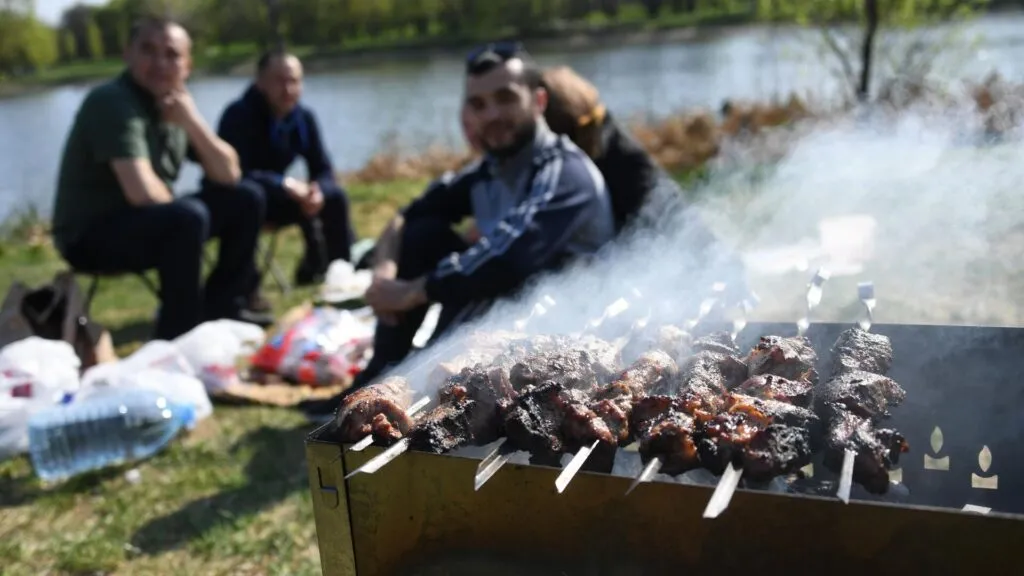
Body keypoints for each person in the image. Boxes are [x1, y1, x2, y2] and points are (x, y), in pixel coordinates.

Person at [300, 42, 616, 418]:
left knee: (479, 275)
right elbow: (406, 217)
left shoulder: (564, 172)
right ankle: (381, 377)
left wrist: (413, 292)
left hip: (568, 329)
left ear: (539, 101)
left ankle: (415, 385)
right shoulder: (488, 173)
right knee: (423, 233)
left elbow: (509, 257)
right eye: (478, 105)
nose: (492, 114)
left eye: (505, 98)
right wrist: (384, 277)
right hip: (507, 311)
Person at [51, 17, 272, 341]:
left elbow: (229, 173)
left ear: (188, 64)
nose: (160, 63)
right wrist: (192, 215)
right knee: (188, 218)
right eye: (148, 51)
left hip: (146, 222)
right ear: (128, 54)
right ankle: (179, 334)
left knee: (247, 198)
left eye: (172, 54)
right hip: (89, 236)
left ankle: (223, 308)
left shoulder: (174, 106)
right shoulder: (112, 101)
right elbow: (141, 192)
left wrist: (191, 120)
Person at [216, 49, 355, 290]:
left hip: (281, 197)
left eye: (294, 81)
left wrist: (317, 191)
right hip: (244, 201)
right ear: (260, 82)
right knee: (252, 197)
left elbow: (323, 168)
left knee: (335, 197)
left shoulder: (303, 117)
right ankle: (241, 287)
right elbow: (235, 174)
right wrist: (285, 185)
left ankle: (340, 273)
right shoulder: (238, 116)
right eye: (279, 81)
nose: (288, 89)